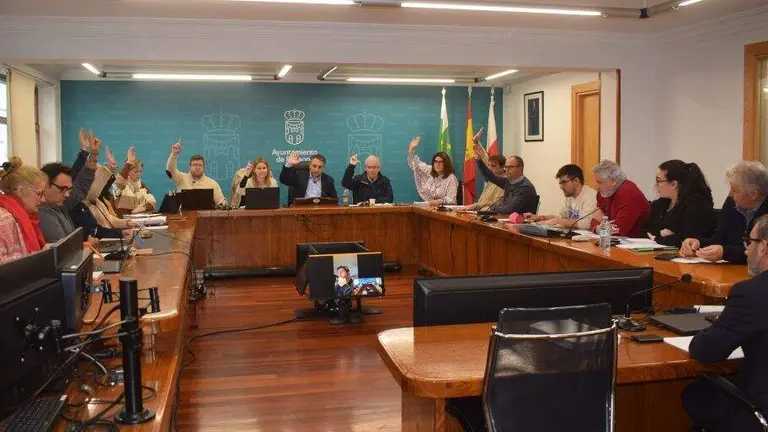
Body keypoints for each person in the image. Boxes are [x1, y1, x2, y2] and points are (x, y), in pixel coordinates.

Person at [682, 213, 768, 432]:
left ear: (764, 247)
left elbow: (706, 351)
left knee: (694, 393)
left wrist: (715, 327)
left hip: (758, 413)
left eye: (749, 242)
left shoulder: (751, 294)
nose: (746, 250)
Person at [680, 161, 768, 264]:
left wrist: (725, 252)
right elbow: (719, 238)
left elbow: (761, 253)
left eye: (735, 190)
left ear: (753, 194)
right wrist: (698, 244)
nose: (730, 194)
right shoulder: (731, 203)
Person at [39, 128, 100, 243]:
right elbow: (62, 251)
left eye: (69, 189)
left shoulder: (59, 204)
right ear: (45, 184)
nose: (67, 194)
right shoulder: (43, 212)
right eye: (62, 189)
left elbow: (82, 184)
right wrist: (86, 246)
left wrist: (94, 154)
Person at [645, 160, 716, 247]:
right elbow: (647, 229)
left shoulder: (696, 205)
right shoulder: (662, 202)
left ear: (674, 184)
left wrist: (657, 238)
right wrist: (661, 233)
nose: (655, 186)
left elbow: (686, 239)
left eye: (658, 181)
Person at [471, 134, 537, 214]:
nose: (506, 170)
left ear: (520, 168)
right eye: (506, 167)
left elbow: (510, 209)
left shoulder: (525, 187)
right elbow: (490, 176)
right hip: (507, 220)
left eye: (510, 167)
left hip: (522, 224)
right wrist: (478, 161)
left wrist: (491, 209)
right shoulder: (508, 181)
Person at [0, 158, 48, 263]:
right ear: (20, 190)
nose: (44, 200)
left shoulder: (24, 216)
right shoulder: (4, 219)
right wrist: (35, 256)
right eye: (39, 194)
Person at [525, 164, 597, 229]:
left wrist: (559, 221)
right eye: (560, 183)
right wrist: (540, 218)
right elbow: (560, 217)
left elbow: (587, 223)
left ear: (576, 181)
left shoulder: (591, 196)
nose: (561, 187)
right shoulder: (569, 197)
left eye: (563, 182)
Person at [589, 160, 650, 237]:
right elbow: (594, 220)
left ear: (613, 181)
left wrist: (602, 223)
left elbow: (619, 229)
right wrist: (598, 228)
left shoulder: (628, 192)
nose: (596, 187)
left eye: (599, 182)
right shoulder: (602, 193)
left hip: (636, 243)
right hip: (614, 241)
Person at [166, 139, 226, 207]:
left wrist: (222, 203)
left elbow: (220, 200)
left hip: (206, 216)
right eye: (195, 165)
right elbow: (170, 171)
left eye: (200, 165)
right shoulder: (181, 178)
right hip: (184, 216)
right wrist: (174, 154)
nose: (198, 167)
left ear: (204, 167)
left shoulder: (212, 183)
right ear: (190, 166)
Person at [407, 137, 458, 206]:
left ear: (446, 163)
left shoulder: (451, 178)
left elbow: (452, 199)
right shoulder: (430, 170)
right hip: (430, 208)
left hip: (445, 211)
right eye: (435, 161)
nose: (437, 164)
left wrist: (441, 201)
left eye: (440, 162)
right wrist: (411, 150)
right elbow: (416, 164)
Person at [114, 147, 156, 214]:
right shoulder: (122, 185)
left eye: (140, 171)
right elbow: (118, 182)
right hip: (125, 220)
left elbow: (152, 201)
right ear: (128, 172)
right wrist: (129, 163)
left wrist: (144, 207)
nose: (139, 175)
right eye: (136, 172)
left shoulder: (141, 184)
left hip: (141, 217)